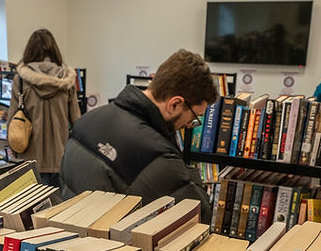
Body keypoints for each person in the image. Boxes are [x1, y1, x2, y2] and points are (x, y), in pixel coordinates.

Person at [59, 49, 216, 224]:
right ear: (175, 104)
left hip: (68, 237)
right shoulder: (158, 155)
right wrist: (186, 167)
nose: (189, 125)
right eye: (194, 117)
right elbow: (200, 216)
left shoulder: (86, 121)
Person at [8, 28, 81, 186]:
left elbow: (12, 120)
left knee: (31, 208)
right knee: (58, 207)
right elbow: (77, 121)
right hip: (60, 157)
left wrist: (15, 152)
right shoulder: (67, 80)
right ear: (54, 50)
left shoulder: (20, 80)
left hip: (29, 158)